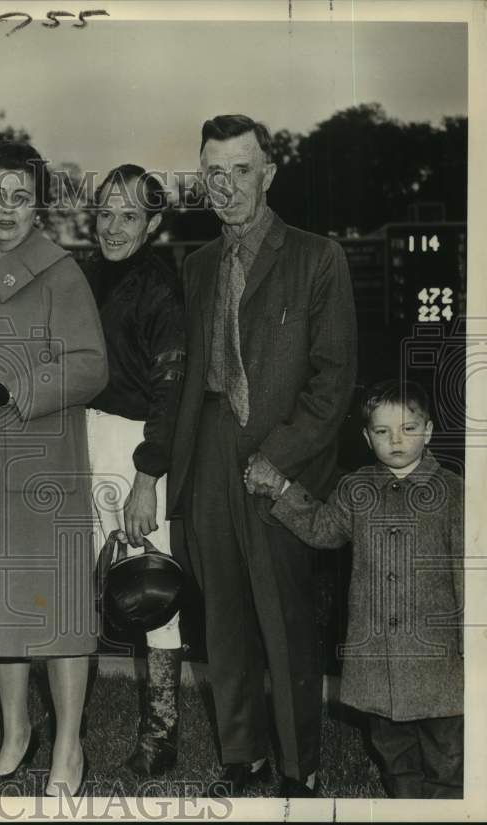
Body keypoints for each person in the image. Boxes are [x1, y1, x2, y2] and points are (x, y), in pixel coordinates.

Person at [165, 114, 357, 797]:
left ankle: (298, 768)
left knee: (284, 618)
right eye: (213, 173)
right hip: (211, 447)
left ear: (267, 174)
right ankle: (240, 757)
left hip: (280, 455)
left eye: (241, 170)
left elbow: (333, 381)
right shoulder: (198, 265)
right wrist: (179, 475)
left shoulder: (317, 256)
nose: (227, 186)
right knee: (224, 616)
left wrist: (280, 457)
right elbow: (191, 380)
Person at [0, 140, 108, 797]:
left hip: (42, 461)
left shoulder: (62, 272)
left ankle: (68, 745)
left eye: (19, 196)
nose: (4, 209)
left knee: (56, 606)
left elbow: (92, 364)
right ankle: (15, 730)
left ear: (38, 206)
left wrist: (13, 389)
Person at [257, 380, 463, 799]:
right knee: (389, 740)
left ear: (428, 431)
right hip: (377, 653)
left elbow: (467, 570)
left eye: (408, 428)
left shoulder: (453, 492)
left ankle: (445, 802)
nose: (397, 440)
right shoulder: (356, 488)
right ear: (367, 437)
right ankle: (405, 800)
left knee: (448, 747)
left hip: (437, 655)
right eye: (383, 432)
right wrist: (281, 490)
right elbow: (322, 528)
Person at [82, 165, 186, 777]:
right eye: (106, 213)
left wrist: (147, 476)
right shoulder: (87, 277)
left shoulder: (161, 288)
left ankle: (162, 733)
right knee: (82, 584)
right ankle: (72, 722)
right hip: (82, 439)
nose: (115, 227)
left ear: (152, 225)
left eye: (129, 216)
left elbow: (171, 390)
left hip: (135, 446)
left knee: (152, 587)